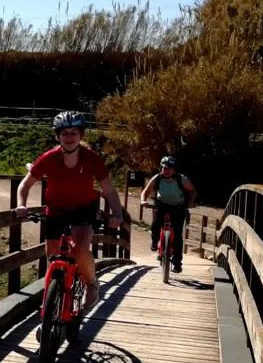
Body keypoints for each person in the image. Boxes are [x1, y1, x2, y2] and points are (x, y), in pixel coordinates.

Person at [15, 111, 125, 308]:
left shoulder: (92, 159)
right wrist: (21, 204)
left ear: (81, 135)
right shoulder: (49, 158)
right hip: (56, 210)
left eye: (74, 133)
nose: (69, 137)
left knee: (80, 249)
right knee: (52, 256)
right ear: (57, 136)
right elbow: (25, 185)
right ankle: (53, 303)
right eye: (64, 133)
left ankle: (91, 283)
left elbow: (109, 191)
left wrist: (117, 214)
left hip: (84, 209)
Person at [141, 155, 196, 273]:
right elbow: (146, 191)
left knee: (177, 236)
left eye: (169, 168)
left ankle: (177, 263)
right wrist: (143, 200)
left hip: (178, 207)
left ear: (174, 169)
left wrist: (191, 201)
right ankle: (155, 242)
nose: (166, 171)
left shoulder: (182, 179)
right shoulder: (158, 178)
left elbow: (192, 190)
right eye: (164, 168)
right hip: (161, 205)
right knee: (155, 224)